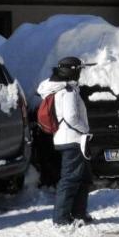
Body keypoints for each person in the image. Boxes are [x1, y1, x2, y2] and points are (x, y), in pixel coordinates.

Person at [36, 56, 94, 226]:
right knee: (70, 179)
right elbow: (71, 117)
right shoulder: (66, 91)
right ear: (73, 71)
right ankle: (61, 219)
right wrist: (85, 129)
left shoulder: (63, 88)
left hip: (70, 139)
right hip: (73, 139)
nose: (81, 73)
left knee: (82, 178)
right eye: (80, 69)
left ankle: (79, 214)